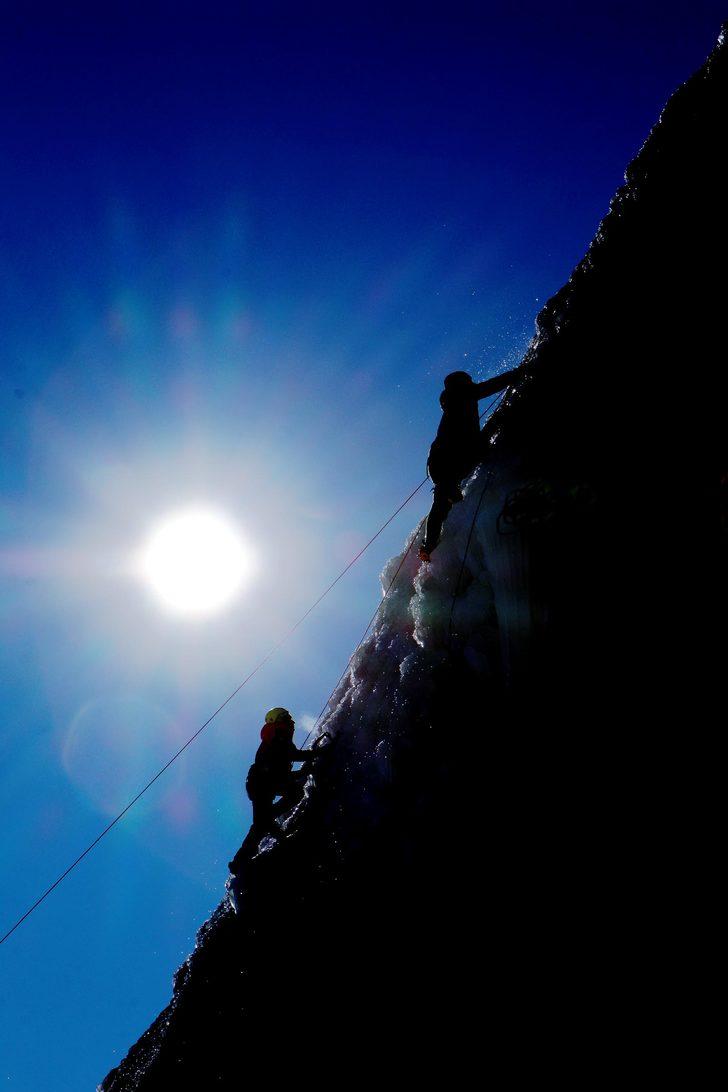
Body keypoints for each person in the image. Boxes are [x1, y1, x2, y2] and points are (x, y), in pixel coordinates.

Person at [419, 366, 524, 561]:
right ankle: (431, 544)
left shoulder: (453, 401)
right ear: (462, 383)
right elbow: (490, 386)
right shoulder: (461, 394)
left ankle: (430, 544)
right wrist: (519, 372)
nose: (472, 384)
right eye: (468, 381)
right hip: (453, 459)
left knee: (443, 501)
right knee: (444, 499)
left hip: (445, 461)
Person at [228, 707, 320, 874]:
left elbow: (281, 770)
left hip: (264, 783)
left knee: (268, 817)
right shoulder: (279, 736)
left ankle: (243, 859)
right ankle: (240, 862)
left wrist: (304, 767)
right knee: (263, 822)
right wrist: (315, 754)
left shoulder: (277, 737)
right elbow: (292, 757)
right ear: (278, 720)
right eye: (287, 717)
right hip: (262, 784)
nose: (291, 720)